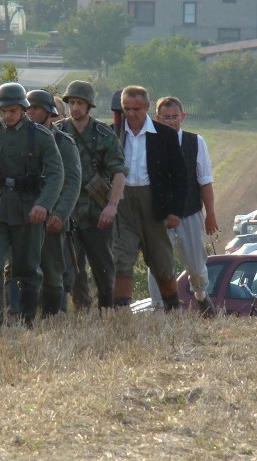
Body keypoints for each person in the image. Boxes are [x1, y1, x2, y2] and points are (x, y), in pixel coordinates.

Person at [0, 82, 64, 325]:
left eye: (12, 111)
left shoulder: (40, 136)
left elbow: (57, 174)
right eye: (3, 111)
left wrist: (44, 204)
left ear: (23, 109)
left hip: (29, 208)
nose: (7, 116)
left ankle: (27, 318)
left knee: (27, 268)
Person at [112, 86, 188, 310]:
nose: (131, 113)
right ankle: (121, 312)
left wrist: (175, 211)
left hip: (154, 203)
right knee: (121, 260)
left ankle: (172, 308)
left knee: (162, 262)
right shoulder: (113, 134)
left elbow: (180, 175)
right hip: (122, 202)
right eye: (126, 108)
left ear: (146, 107)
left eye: (136, 108)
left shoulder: (165, 135)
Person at [55, 80, 127, 311]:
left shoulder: (104, 134)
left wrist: (112, 206)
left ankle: (106, 313)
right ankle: (78, 310)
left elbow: (118, 172)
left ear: (89, 106)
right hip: (68, 211)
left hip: (97, 212)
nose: (74, 107)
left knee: (104, 272)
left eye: (79, 103)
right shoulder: (57, 133)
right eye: (71, 103)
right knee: (69, 269)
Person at [147, 96, 217, 317]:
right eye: (165, 117)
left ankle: (201, 296)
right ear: (157, 118)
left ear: (182, 117)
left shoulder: (195, 142)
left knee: (196, 265)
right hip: (158, 214)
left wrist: (210, 214)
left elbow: (205, 180)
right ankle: (159, 306)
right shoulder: (149, 142)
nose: (170, 121)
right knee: (159, 263)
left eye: (174, 117)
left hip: (189, 212)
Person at [25, 89, 82, 316]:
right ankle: (18, 314)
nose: (30, 112)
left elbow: (72, 182)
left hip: (53, 217)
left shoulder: (63, 142)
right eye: (27, 108)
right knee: (16, 269)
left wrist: (60, 214)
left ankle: (53, 314)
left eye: (35, 108)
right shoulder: (19, 138)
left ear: (48, 112)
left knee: (52, 270)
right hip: (24, 214)